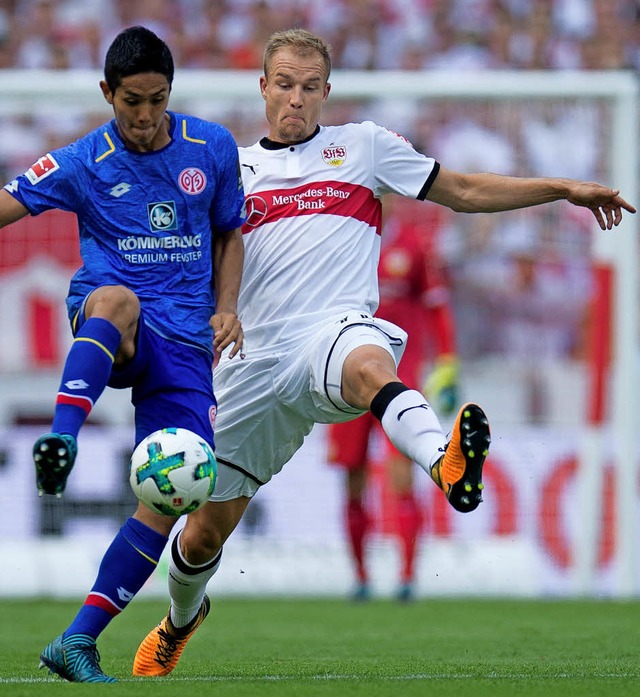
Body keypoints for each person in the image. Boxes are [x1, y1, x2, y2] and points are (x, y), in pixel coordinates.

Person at [129, 27, 634, 679]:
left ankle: (446, 464)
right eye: (284, 85)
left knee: (371, 365)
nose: (295, 100)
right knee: (200, 535)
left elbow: (467, 191)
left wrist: (563, 188)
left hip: (331, 333)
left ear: (327, 93)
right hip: (251, 361)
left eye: (310, 88)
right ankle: (178, 622)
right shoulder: (233, 170)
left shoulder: (363, 147)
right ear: (262, 88)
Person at [0, 26, 246, 683]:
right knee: (113, 297)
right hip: (114, 327)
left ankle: (76, 640)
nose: (143, 115)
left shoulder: (212, 148)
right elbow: (8, 203)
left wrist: (227, 306)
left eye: (156, 100)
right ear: (107, 93)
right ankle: (61, 441)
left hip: (188, 342)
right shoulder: (83, 159)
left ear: (170, 93)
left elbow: (229, 234)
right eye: (130, 101)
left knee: (171, 497)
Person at [327, 195, 459, 602]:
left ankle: (405, 576)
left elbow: (437, 308)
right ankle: (361, 576)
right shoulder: (342, 241)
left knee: (401, 471)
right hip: (346, 374)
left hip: (398, 377)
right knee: (353, 478)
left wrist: (448, 364)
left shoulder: (414, 246)